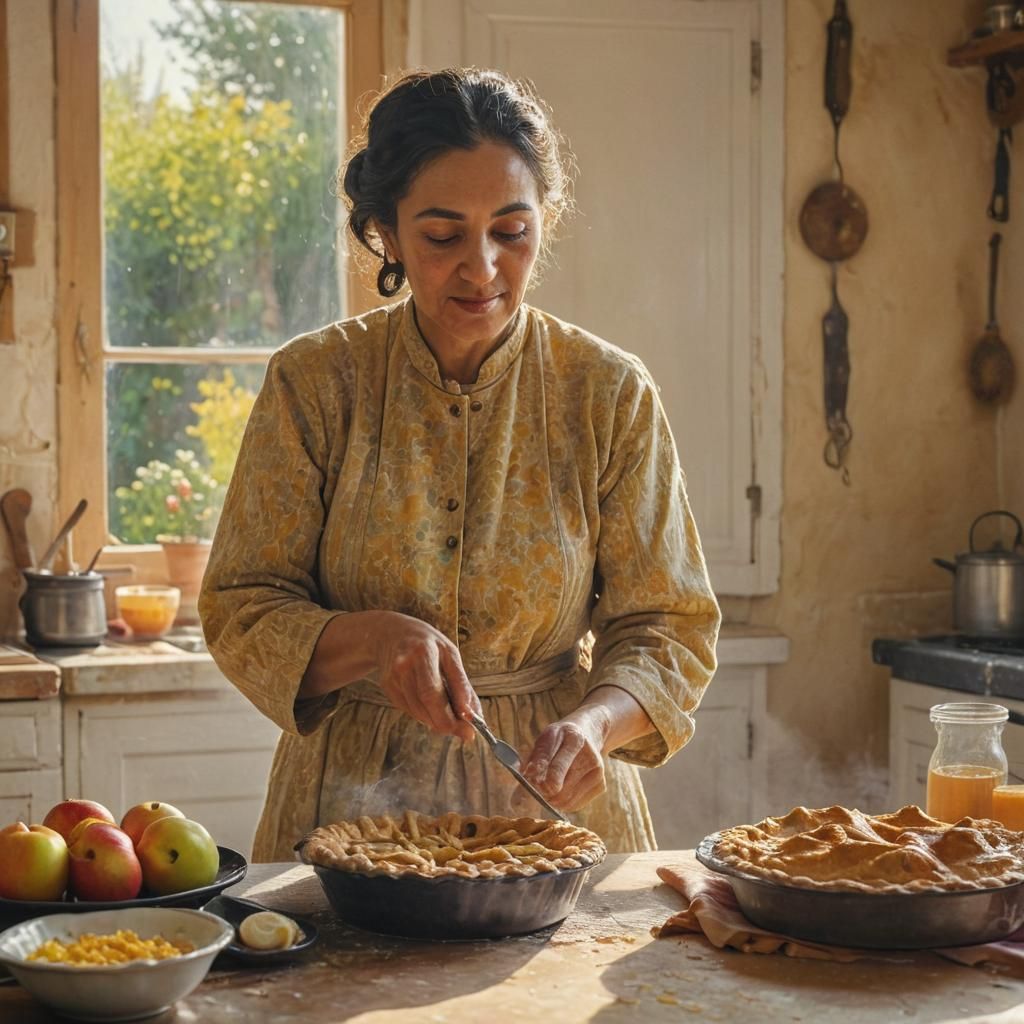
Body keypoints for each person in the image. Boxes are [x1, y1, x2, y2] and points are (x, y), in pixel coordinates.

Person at [199, 68, 720, 863]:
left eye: (511, 231)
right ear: (386, 232)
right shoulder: (315, 384)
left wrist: (597, 723)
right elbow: (242, 605)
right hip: (345, 810)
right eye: (443, 236)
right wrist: (372, 641)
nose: (481, 268)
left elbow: (670, 628)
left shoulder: (607, 393)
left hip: (554, 818)